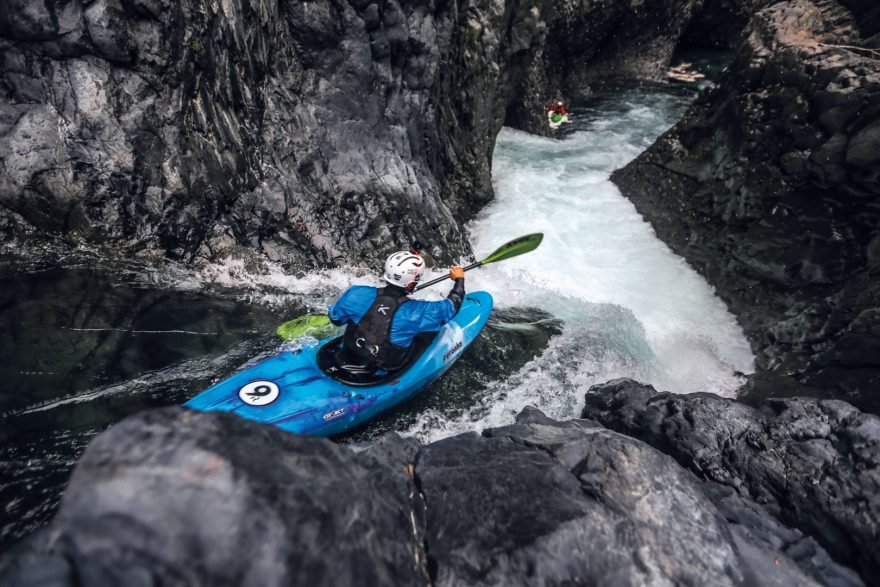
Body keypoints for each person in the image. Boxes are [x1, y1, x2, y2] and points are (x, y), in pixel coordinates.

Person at [327, 249, 465, 377]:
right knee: (429, 331)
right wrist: (459, 279)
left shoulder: (356, 293)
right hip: (381, 370)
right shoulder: (417, 312)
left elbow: (335, 319)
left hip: (345, 357)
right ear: (410, 284)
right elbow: (452, 307)